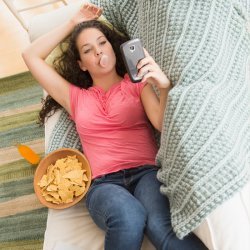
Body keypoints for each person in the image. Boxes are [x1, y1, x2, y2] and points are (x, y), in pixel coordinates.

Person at [22, 3, 207, 250]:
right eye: (88, 50)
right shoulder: (74, 98)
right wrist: (71, 23)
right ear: (82, 64)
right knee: (128, 216)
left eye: (102, 43)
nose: (99, 52)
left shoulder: (136, 84)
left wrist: (163, 86)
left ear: (112, 46)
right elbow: (30, 56)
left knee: (159, 226)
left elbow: (161, 123)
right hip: (104, 185)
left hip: (146, 174)